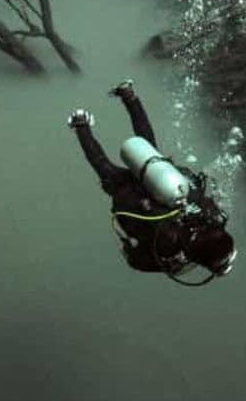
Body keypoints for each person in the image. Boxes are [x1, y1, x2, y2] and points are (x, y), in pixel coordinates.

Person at [67, 80, 236, 282]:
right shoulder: (174, 256)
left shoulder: (216, 218)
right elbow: (136, 260)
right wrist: (129, 248)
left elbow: (207, 192)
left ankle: (128, 95)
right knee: (104, 167)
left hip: (165, 177)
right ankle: (80, 123)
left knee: (147, 144)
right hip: (131, 197)